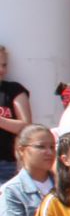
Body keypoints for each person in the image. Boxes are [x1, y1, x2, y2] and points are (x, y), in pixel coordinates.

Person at [0, 46, 31, 183]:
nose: (2, 70)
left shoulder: (13, 90)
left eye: (4, 65)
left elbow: (26, 126)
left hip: (6, 164)